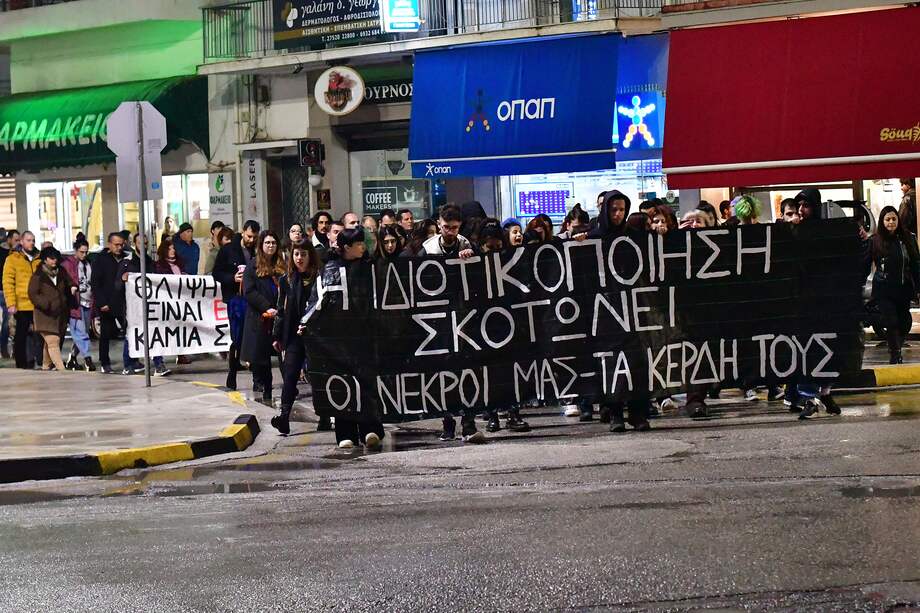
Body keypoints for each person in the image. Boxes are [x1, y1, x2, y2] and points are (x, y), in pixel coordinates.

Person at [302, 227, 387, 449]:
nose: (363, 247)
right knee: (342, 384)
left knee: (366, 380)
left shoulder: (370, 268)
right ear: (347, 247)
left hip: (365, 337)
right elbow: (317, 301)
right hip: (337, 339)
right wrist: (306, 323)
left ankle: (370, 428)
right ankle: (345, 432)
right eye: (359, 243)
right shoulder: (329, 270)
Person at [271, 239, 322, 435]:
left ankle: (324, 416)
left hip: (316, 334)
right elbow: (281, 309)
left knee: (318, 376)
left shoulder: (319, 278)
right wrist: (277, 335)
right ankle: (284, 416)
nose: (300, 258)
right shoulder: (287, 280)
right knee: (290, 375)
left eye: (303, 254)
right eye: (296, 254)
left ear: (310, 256)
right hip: (293, 335)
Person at [212, 219, 260, 390]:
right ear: (242, 231)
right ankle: (232, 373)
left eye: (254, 237)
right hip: (236, 298)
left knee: (256, 337)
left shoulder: (257, 249)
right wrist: (232, 278)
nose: (251, 240)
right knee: (238, 338)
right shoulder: (229, 250)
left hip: (254, 298)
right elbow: (216, 272)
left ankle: (257, 378)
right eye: (248, 236)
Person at [869, 206, 919, 365]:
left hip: (903, 288)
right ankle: (895, 354)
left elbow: (916, 264)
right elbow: (865, 263)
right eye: (887, 219)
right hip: (883, 289)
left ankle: (897, 344)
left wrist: (918, 287)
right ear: (882, 222)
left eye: (893, 219)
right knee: (891, 321)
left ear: (898, 220)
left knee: (904, 321)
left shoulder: (908, 239)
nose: (891, 222)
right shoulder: (875, 240)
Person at [240, 230, 285, 403]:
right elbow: (249, 292)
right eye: (267, 243)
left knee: (283, 356)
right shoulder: (253, 266)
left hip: (280, 317)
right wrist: (267, 307)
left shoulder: (282, 265)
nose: (271, 246)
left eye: (273, 243)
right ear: (261, 245)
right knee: (262, 360)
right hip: (261, 319)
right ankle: (265, 390)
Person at [120, 233, 171, 376]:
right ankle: (128, 363)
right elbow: (117, 285)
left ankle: (158, 363)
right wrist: (123, 279)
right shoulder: (127, 262)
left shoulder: (149, 262)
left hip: (149, 304)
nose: (144, 246)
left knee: (154, 333)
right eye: (140, 243)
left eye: (146, 243)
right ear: (134, 244)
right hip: (132, 306)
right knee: (132, 333)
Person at [27, 246, 76, 372]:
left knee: (49, 343)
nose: (54, 261)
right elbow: (32, 293)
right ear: (45, 259)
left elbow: (70, 281)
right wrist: (46, 304)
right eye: (51, 258)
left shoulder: (61, 271)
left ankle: (45, 366)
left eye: (56, 258)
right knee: (53, 340)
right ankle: (61, 368)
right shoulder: (38, 275)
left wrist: (72, 287)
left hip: (59, 314)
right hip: (44, 314)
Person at [90, 232, 128, 374]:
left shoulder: (126, 258)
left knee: (129, 331)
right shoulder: (101, 259)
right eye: (116, 244)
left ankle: (131, 360)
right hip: (107, 303)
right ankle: (104, 362)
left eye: (121, 244)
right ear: (109, 244)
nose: (119, 247)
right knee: (105, 334)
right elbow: (95, 283)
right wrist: (101, 302)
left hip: (123, 303)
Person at [3, 230, 41, 369]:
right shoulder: (13, 259)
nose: (31, 243)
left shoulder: (39, 258)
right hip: (22, 304)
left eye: (33, 240)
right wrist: (11, 303)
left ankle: (38, 361)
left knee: (39, 335)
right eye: (29, 240)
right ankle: (21, 364)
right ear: (22, 242)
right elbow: (8, 282)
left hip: (37, 304)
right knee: (21, 336)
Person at [61, 238, 95, 371]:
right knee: (80, 332)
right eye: (82, 252)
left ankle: (73, 357)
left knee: (82, 332)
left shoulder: (88, 263)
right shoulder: (68, 264)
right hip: (75, 303)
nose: (84, 255)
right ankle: (88, 358)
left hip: (88, 301)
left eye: (86, 252)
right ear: (76, 250)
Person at [0, 229, 20, 359]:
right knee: (5, 322)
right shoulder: (2, 253)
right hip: (1, 292)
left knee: (8, 324)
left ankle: (5, 349)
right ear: (9, 240)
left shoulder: (17, 254)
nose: (18, 243)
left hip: (10, 292)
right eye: (16, 240)